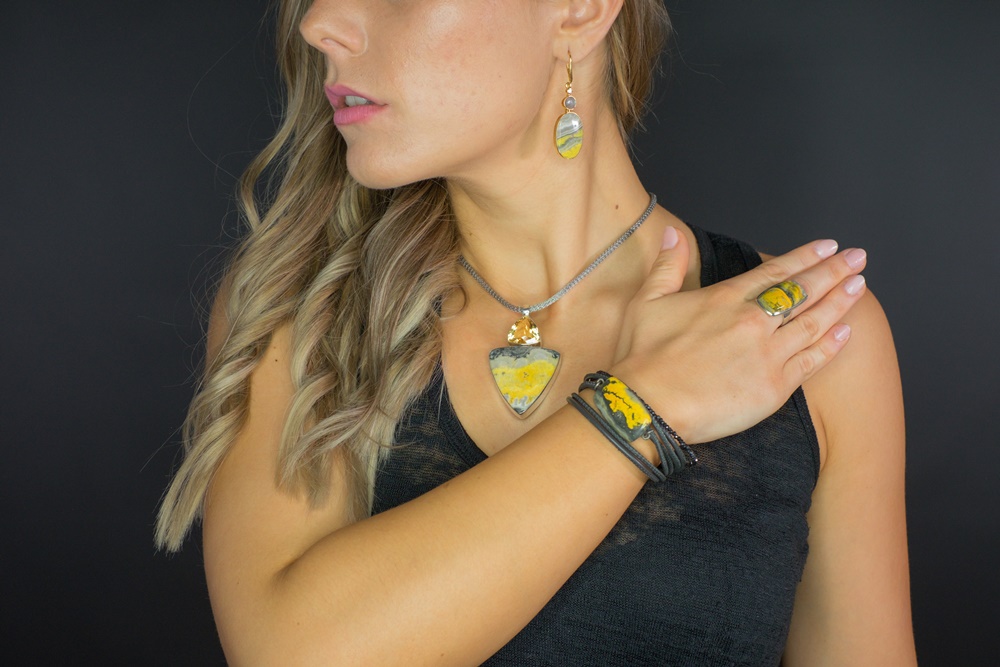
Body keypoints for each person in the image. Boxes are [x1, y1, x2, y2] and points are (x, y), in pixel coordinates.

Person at [156, 0, 916, 664]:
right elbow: (292, 650)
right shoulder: (303, 313)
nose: (319, 22)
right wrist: (642, 405)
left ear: (579, 10)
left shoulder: (811, 337)